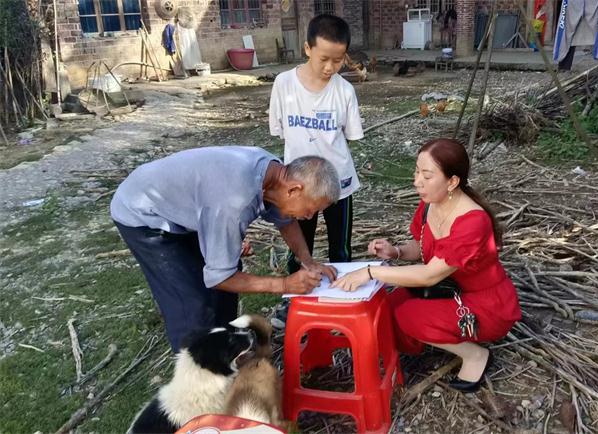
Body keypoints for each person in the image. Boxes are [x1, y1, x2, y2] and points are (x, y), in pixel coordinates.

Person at [331, 138, 522, 393]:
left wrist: (370, 272)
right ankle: (422, 342)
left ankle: (475, 355)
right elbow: (423, 248)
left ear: (452, 181)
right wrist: (396, 251)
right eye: (416, 171)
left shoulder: (472, 222)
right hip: (449, 288)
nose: (416, 181)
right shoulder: (430, 203)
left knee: (408, 316)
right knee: (387, 307)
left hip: (484, 303)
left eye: (427, 175)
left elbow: (430, 274)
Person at [110, 146, 340, 352]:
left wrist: (308, 260)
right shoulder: (235, 201)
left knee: (223, 288)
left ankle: (223, 350)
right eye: (309, 210)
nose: (309, 217)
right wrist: (284, 284)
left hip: (189, 207)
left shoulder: (275, 175)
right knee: (192, 303)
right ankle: (199, 374)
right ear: (293, 190)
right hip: (143, 213)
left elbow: (286, 221)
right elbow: (220, 277)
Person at [269, 14, 363, 276]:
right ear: (307, 48)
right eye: (324, 59)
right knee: (298, 248)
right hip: (297, 186)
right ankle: (294, 298)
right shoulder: (284, 84)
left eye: (338, 60)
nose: (330, 67)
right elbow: (280, 131)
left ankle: (343, 297)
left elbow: (350, 137)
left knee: (341, 249)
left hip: (338, 185)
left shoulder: (345, 91)